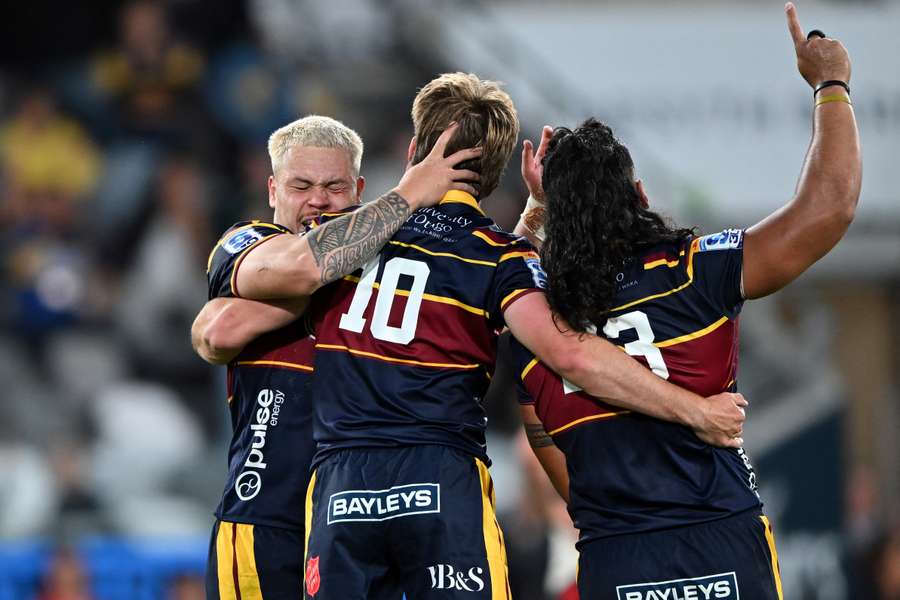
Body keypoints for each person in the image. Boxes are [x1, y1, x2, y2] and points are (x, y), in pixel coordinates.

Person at [290, 73, 748, 599]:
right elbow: (570, 353)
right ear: (490, 176)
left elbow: (228, 319)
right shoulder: (500, 257)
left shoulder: (334, 238)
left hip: (342, 490)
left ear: (416, 150)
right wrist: (694, 410)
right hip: (440, 480)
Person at [509, 5, 861, 599]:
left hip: (613, 551)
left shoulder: (533, 321)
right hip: (721, 535)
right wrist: (832, 84)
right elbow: (829, 207)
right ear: (641, 195)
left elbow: (552, 456)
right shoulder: (695, 267)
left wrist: (540, 214)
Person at [194, 114, 482, 600]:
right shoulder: (245, 241)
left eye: (335, 186)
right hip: (266, 515)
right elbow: (223, 327)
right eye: (301, 185)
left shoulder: (393, 260)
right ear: (272, 190)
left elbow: (476, 287)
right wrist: (406, 198)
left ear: (360, 189)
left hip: (366, 517)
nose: (318, 200)